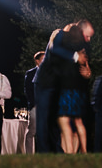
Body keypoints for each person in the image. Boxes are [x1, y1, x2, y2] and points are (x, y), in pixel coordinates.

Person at [34, 20, 95, 153]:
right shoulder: (59, 34)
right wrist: (75, 57)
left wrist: (87, 72)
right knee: (46, 120)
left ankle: (58, 152)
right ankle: (46, 152)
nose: (88, 39)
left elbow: (82, 64)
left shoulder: (77, 46)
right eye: (87, 35)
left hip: (62, 87)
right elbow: (54, 49)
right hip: (47, 82)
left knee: (59, 121)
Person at [56, 27, 92, 153]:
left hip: (69, 91)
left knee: (67, 123)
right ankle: (76, 151)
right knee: (76, 123)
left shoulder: (69, 52)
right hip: (78, 91)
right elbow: (87, 71)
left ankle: (71, 152)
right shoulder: (81, 51)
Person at [24, 51, 44, 153]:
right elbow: (28, 91)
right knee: (32, 131)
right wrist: (35, 104)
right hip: (35, 107)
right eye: (43, 59)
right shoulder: (30, 73)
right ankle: (29, 154)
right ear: (37, 61)